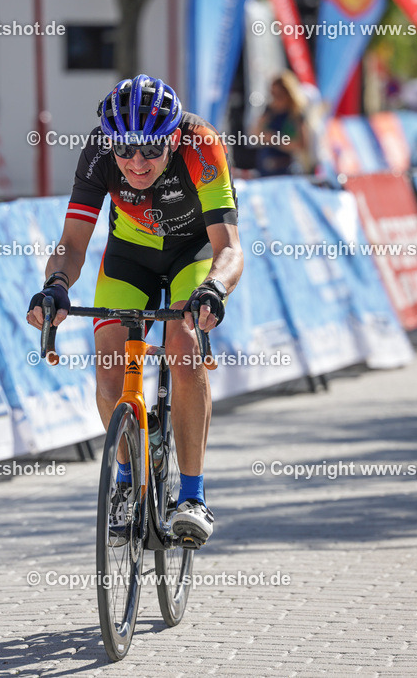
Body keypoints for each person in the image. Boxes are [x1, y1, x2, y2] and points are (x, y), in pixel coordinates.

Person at [25, 74, 244, 547]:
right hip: (130, 257)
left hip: (193, 255)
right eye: (125, 150)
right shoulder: (99, 152)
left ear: (172, 138)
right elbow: (72, 244)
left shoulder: (201, 145)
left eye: (149, 149)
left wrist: (215, 290)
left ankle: (192, 496)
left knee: (182, 351)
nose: (136, 162)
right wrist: (55, 285)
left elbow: (230, 248)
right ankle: (125, 481)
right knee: (109, 370)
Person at [249, 71, 311, 176]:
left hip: (286, 169)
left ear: (288, 94)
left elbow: (301, 144)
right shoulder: (269, 111)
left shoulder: (295, 114)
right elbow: (254, 133)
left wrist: (276, 140)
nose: (275, 98)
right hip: (265, 167)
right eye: (272, 94)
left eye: (279, 95)